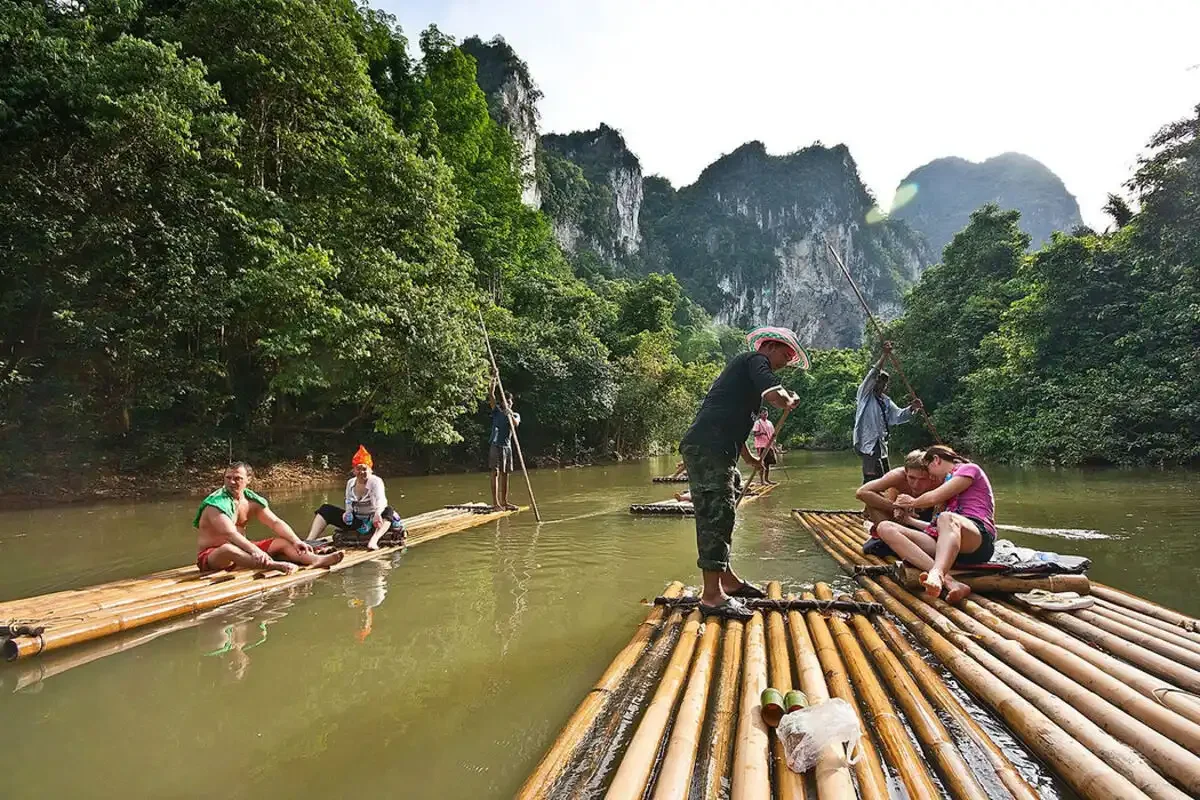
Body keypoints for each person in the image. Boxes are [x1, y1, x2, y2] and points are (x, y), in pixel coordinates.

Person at [680, 326, 807, 620]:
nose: (787, 361)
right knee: (717, 510)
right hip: (708, 446)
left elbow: (735, 424)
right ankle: (712, 596)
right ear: (771, 347)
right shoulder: (753, 360)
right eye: (786, 355)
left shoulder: (746, 382)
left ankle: (727, 578)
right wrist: (787, 400)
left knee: (728, 501)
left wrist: (750, 458)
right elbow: (773, 392)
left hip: (719, 447)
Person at [890, 444, 998, 603]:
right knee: (886, 527)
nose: (931, 477)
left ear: (936, 460)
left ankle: (937, 573)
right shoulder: (947, 480)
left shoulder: (969, 469)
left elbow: (934, 498)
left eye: (929, 470)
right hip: (950, 545)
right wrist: (908, 520)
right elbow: (937, 529)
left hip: (977, 539)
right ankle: (950, 582)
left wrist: (911, 502)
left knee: (947, 517)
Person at [194, 463, 345, 574]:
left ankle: (315, 559)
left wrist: (296, 540)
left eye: (237, 478)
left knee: (282, 542)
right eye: (228, 478)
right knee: (228, 549)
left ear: (248, 480)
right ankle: (273, 565)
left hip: (243, 550)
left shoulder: (251, 500)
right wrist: (255, 551)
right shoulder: (215, 504)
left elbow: (275, 522)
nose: (231, 482)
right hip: (213, 557)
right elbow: (230, 534)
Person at [308, 445, 406, 550]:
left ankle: (374, 540)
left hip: (375, 521)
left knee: (388, 511)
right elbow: (349, 502)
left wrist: (377, 513)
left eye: (364, 469)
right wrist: (348, 513)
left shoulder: (376, 481)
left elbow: (381, 501)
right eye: (358, 469)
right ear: (354, 471)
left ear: (370, 470)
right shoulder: (351, 483)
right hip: (358, 521)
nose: (361, 472)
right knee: (325, 509)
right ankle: (309, 541)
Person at [854, 342, 923, 483]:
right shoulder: (865, 395)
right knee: (871, 478)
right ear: (875, 383)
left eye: (884, 384)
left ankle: (881, 503)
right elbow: (872, 374)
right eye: (879, 382)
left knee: (886, 478)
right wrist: (884, 355)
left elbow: (898, 416)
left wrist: (912, 408)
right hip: (869, 444)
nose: (881, 386)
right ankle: (871, 504)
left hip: (882, 445)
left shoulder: (885, 401)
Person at [855, 450, 937, 557]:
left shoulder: (938, 479)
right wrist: (895, 507)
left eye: (923, 479)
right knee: (871, 503)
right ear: (906, 472)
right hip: (900, 520)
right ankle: (887, 539)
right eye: (911, 478)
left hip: (928, 521)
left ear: (931, 475)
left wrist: (916, 505)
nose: (916, 484)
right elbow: (861, 492)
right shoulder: (897, 475)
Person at [488, 373, 521, 511]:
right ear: (502, 402)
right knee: (495, 472)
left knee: (505, 473)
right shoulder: (496, 411)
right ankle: (496, 504)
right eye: (506, 401)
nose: (508, 403)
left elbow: (516, 424)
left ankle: (505, 501)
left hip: (507, 447)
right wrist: (494, 380)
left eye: (510, 401)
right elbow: (491, 395)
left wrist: (510, 414)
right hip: (496, 445)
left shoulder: (514, 414)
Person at [751, 408, 778, 485]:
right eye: (764, 413)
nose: (765, 415)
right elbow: (755, 434)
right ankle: (762, 480)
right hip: (761, 445)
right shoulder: (758, 423)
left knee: (768, 463)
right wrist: (762, 433)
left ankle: (767, 479)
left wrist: (774, 443)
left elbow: (773, 434)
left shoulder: (769, 423)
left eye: (766, 413)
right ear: (760, 414)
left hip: (769, 445)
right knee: (761, 463)